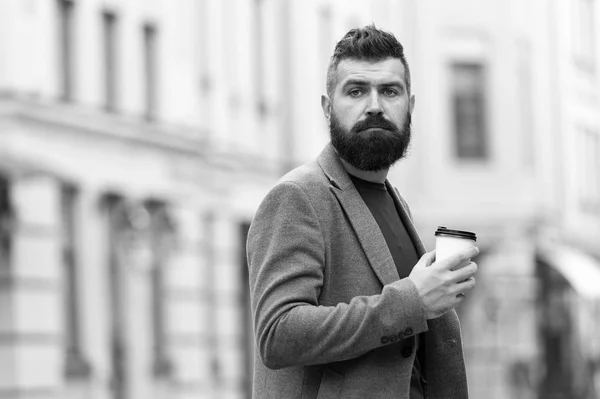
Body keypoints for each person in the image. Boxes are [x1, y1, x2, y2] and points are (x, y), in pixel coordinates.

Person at [246, 24, 479, 399]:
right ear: (327, 108)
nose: (374, 105)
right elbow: (278, 333)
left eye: (390, 91)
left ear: (410, 106)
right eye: (356, 91)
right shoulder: (296, 196)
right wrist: (413, 301)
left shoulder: (392, 198)